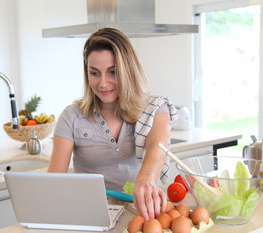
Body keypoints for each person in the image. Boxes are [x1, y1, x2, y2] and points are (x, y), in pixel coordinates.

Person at [47, 27, 178, 220]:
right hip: (91, 215)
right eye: (95, 73)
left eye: (113, 72)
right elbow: (53, 184)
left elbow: (156, 148)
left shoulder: (155, 108)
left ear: (128, 71)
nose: (103, 83)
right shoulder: (71, 117)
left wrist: (146, 179)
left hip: (141, 213)